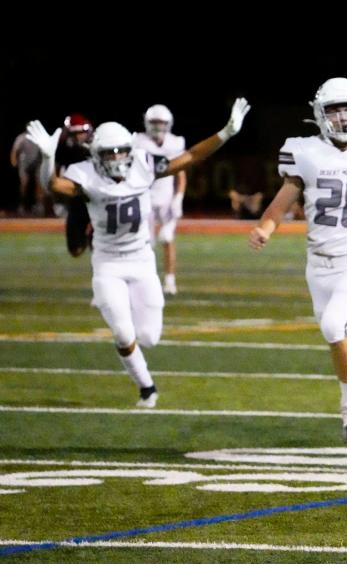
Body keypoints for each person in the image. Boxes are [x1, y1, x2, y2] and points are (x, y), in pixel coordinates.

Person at [26, 98, 251, 408]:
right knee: (122, 332)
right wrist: (47, 158)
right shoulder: (85, 173)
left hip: (143, 262)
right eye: (109, 153)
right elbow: (53, 186)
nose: (117, 158)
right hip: (107, 265)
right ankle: (147, 388)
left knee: (149, 337)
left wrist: (226, 132)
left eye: (121, 151)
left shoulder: (144, 163)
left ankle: (129, 322)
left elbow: (189, 157)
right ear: (96, 155)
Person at [248, 78, 347, 441]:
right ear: (320, 115)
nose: (343, 117)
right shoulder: (304, 152)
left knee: (335, 327)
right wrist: (265, 227)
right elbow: (284, 199)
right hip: (318, 265)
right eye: (334, 110)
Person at [133, 105, 187, 295]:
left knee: (167, 237)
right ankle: (146, 281)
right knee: (145, 243)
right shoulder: (138, 141)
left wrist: (178, 197)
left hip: (166, 198)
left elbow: (181, 174)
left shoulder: (175, 143)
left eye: (161, 122)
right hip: (144, 198)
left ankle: (170, 281)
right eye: (154, 122)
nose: (157, 126)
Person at [57, 113, 95, 257]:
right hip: (76, 200)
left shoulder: (97, 146)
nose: (80, 136)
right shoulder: (63, 148)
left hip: (96, 198)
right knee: (76, 250)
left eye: (82, 132)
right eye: (76, 133)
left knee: (99, 247)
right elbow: (57, 172)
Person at [10, 131, 45, 216]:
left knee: (39, 184)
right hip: (24, 163)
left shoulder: (40, 137)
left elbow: (45, 150)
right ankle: (22, 206)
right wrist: (13, 161)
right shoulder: (22, 137)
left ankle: (39, 206)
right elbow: (14, 150)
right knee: (24, 184)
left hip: (37, 162)